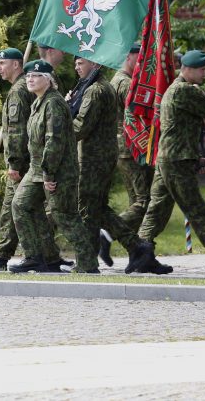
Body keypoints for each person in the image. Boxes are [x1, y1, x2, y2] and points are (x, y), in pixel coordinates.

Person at [130, 50, 205, 275]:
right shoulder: (184, 91)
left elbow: (183, 130)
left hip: (169, 158)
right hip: (176, 161)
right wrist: (201, 93)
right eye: (202, 70)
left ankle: (141, 254)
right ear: (189, 69)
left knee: (157, 209)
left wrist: (196, 157)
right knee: (196, 208)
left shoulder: (174, 89)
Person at [0, 48, 59, 270]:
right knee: (34, 210)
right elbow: (6, 128)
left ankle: (1, 257)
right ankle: (50, 257)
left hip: (24, 163)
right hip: (32, 161)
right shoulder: (21, 88)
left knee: (12, 208)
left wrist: (14, 164)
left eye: (3, 63)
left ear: (16, 65)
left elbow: (17, 131)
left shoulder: (18, 91)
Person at [11, 60, 98, 274]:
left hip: (57, 171)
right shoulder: (38, 102)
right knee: (21, 205)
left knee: (64, 215)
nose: (30, 79)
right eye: (29, 75)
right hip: (37, 169)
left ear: (48, 80)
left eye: (36, 76)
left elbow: (54, 141)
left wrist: (49, 173)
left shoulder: (54, 103)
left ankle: (88, 265)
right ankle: (39, 257)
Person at [69, 56, 139, 270]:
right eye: (76, 63)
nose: (76, 67)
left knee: (87, 210)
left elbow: (80, 128)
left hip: (94, 158)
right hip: (100, 156)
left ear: (95, 64)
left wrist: (58, 123)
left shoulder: (96, 90)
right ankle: (137, 247)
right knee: (97, 208)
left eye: (81, 63)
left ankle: (86, 262)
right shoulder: (93, 87)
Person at [108, 44, 155, 271]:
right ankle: (108, 232)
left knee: (136, 200)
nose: (144, 62)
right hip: (131, 146)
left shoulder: (117, 80)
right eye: (140, 57)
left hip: (125, 146)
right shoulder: (125, 83)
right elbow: (138, 114)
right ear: (129, 57)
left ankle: (137, 255)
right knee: (143, 200)